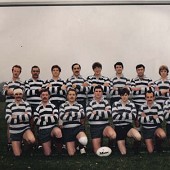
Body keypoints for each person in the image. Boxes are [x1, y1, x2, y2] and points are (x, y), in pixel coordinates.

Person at [5, 87, 35, 156]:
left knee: (32, 140)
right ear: (14, 95)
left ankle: (26, 147)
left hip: (25, 129)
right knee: (17, 155)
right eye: (16, 94)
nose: (18, 96)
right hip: (14, 131)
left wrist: (15, 116)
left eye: (20, 94)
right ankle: (19, 144)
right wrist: (23, 117)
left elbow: (28, 116)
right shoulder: (9, 105)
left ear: (22, 95)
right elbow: (8, 119)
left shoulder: (26, 104)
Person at [86, 85, 116, 154]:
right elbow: (89, 116)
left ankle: (110, 146)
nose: (98, 93)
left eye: (100, 91)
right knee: (97, 152)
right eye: (96, 91)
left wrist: (96, 112)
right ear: (94, 92)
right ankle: (100, 140)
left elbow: (109, 114)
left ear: (102, 92)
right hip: (94, 128)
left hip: (105, 126)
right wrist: (103, 113)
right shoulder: (90, 103)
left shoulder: (106, 102)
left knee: (113, 135)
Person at [112, 88, 141, 155]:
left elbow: (133, 116)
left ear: (128, 95)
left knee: (138, 137)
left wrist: (120, 114)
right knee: (123, 153)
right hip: (118, 128)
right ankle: (117, 144)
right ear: (120, 96)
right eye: (122, 95)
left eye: (126, 95)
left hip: (128, 127)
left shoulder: (132, 104)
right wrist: (127, 114)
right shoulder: (115, 104)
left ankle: (135, 150)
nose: (124, 97)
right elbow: (114, 116)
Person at [33, 89, 62, 156]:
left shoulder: (53, 106)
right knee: (47, 154)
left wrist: (42, 118)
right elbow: (36, 121)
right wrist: (50, 118)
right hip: (43, 131)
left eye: (46, 95)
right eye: (43, 95)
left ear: (49, 96)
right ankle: (51, 144)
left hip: (52, 128)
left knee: (58, 131)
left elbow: (55, 118)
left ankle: (59, 150)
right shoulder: (37, 108)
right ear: (40, 96)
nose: (45, 96)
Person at [59, 88, 88, 156]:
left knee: (84, 140)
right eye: (70, 94)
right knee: (71, 153)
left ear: (76, 96)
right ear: (67, 96)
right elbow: (62, 116)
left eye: (73, 95)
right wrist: (76, 114)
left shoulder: (79, 105)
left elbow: (82, 115)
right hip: (67, 130)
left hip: (77, 128)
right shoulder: (62, 105)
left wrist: (68, 114)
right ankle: (76, 145)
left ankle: (81, 146)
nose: (72, 96)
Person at [2, 65, 25, 150]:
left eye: (18, 71)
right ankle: (10, 143)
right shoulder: (7, 82)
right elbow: (4, 92)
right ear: (12, 71)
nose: (16, 72)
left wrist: (10, 91)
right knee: (9, 124)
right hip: (9, 104)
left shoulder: (21, 83)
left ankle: (20, 141)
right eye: (15, 71)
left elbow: (21, 93)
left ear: (20, 72)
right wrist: (9, 91)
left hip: (18, 104)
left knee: (20, 121)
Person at [24, 66, 44, 142]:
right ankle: (31, 142)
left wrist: (33, 91)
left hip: (39, 105)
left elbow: (43, 92)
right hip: (30, 105)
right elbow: (27, 92)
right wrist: (37, 91)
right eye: (34, 71)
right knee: (30, 124)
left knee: (39, 123)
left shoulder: (42, 82)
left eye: (37, 71)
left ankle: (40, 141)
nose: (35, 72)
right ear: (31, 72)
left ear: (39, 72)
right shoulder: (27, 81)